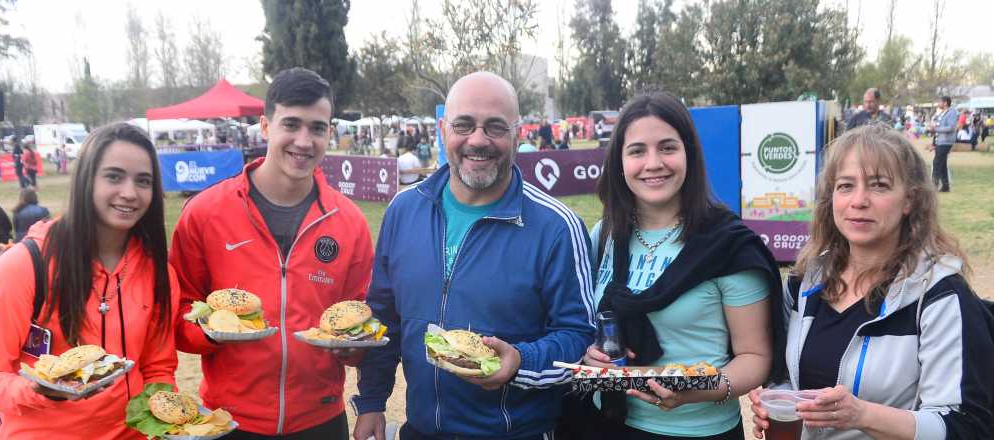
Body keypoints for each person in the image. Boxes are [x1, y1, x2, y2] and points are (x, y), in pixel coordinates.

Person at [352, 71, 595, 440]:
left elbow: (579, 337)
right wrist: (371, 400)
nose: (478, 140)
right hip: (420, 431)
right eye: (463, 125)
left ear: (517, 133)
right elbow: (384, 319)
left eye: (495, 127)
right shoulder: (403, 210)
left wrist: (520, 362)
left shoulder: (557, 227)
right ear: (442, 129)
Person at [750, 125, 994, 439]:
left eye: (878, 185)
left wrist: (862, 415)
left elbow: (965, 426)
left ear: (909, 200)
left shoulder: (939, 295)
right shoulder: (804, 281)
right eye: (846, 185)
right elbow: (783, 378)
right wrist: (779, 404)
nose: (859, 200)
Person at [170, 67, 374, 439]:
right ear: (265, 126)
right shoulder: (204, 214)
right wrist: (215, 333)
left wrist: (353, 350)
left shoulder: (350, 222)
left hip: (321, 422)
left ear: (329, 132)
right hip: (230, 423)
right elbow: (179, 318)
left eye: (317, 128)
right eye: (291, 124)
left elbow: (359, 317)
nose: (303, 140)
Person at [572, 91, 783, 440]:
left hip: (697, 430)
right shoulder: (606, 233)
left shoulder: (728, 245)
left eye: (667, 147)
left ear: (689, 153)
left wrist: (698, 391)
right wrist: (589, 355)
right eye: (637, 151)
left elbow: (755, 357)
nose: (653, 163)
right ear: (620, 161)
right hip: (608, 422)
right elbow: (586, 323)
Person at [0, 123, 181, 439]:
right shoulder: (22, 266)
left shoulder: (159, 271)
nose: (129, 192)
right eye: (114, 176)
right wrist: (38, 390)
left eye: (143, 181)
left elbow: (158, 369)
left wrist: (168, 419)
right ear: (86, 180)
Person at [928, 96, 957, 192]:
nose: (938, 103)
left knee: (936, 163)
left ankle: (933, 186)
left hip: (946, 142)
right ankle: (945, 186)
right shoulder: (941, 113)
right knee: (942, 163)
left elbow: (951, 127)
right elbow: (939, 126)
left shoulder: (951, 112)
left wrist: (936, 129)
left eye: (940, 102)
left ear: (945, 103)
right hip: (940, 141)